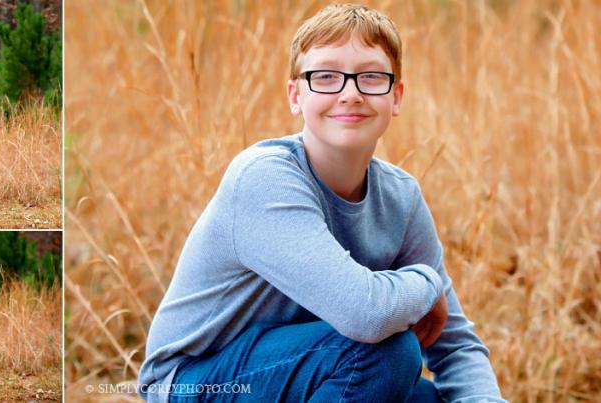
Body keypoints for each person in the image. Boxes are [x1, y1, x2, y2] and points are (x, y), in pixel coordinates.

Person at [139, 4, 505, 402]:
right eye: (326, 76)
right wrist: (427, 284)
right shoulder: (264, 178)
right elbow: (365, 315)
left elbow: (455, 346)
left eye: (370, 77)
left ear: (396, 97)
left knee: (425, 397)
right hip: (195, 379)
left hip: (309, 367)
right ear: (295, 96)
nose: (350, 93)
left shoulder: (401, 198)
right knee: (389, 353)